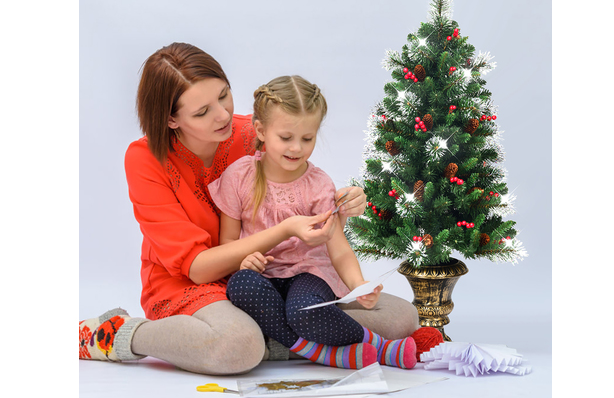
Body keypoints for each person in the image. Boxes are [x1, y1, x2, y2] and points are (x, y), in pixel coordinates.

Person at [79, 43, 419, 376]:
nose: (224, 114)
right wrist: (283, 231)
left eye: (224, 95)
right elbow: (196, 268)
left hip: (272, 278)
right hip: (190, 283)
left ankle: (275, 338)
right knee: (237, 347)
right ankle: (119, 333)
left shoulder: (250, 131)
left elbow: (302, 181)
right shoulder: (145, 159)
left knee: (401, 317)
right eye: (202, 112)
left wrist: (347, 203)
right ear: (170, 120)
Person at [208, 76, 418, 370]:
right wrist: (246, 259)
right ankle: (320, 352)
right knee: (240, 286)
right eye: (286, 138)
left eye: (307, 139)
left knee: (303, 311)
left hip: (308, 273)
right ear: (261, 130)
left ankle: (376, 345)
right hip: (263, 276)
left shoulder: (318, 185)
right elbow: (228, 243)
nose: (296, 148)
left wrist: (358, 285)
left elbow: (338, 248)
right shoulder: (239, 177)